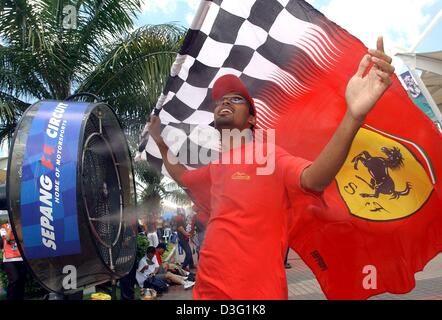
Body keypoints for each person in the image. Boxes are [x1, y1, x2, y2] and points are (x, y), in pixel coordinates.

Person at [148, 37, 395, 299]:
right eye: (220, 100)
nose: (224, 103)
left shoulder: (269, 155)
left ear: (252, 118)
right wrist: (161, 142)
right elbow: (183, 177)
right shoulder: (217, 166)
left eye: (236, 99)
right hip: (206, 289)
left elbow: (313, 179)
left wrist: (353, 116)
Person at [0, 222, 27, 300]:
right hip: (9, 259)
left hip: (21, 257)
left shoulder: (20, 225)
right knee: (14, 280)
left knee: (21, 281)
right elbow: (7, 238)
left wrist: (18, 228)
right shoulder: (3, 227)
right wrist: (11, 228)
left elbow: (21, 239)